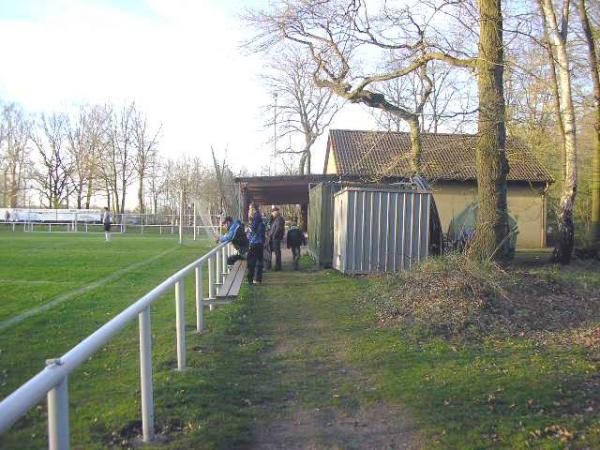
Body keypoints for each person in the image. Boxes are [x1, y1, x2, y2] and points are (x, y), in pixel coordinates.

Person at [247, 203, 266, 285]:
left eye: (250, 209)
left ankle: (250, 280)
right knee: (259, 262)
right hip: (260, 244)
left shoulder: (255, 220)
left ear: (253, 209)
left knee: (251, 262)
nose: (248, 211)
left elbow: (253, 232)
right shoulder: (260, 220)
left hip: (254, 244)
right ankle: (258, 279)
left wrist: (249, 231)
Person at [269, 206, 285, 271]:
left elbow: (278, 228)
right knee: (276, 252)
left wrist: (274, 236)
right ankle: (277, 266)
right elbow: (271, 225)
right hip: (274, 238)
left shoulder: (279, 219)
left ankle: (278, 267)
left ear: (275, 212)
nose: (272, 214)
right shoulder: (276, 219)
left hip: (276, 238)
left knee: (277, 252)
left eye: (272, 213)